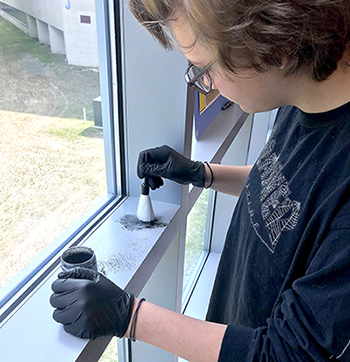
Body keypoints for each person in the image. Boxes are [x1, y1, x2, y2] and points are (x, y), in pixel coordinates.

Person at [50, 0, 350, 361]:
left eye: (204, 69)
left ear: (277, 48)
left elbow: (284, 354)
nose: (205, 85)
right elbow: (290, 194)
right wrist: (201, 173)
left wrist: (129, 317)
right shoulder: (303, 95)